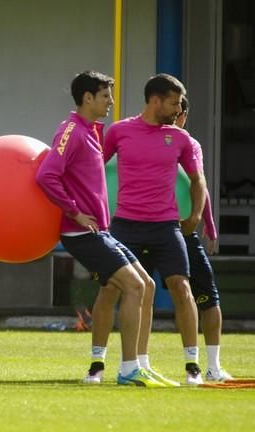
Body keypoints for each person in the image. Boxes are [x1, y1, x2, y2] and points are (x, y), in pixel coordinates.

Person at [37, 70, 163, 387]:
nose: (111, 101)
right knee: (134, 287)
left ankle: (134, 365)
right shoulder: (71, 130)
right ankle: (128, 368)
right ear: (88, 98)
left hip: (100, 231)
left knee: (145, 285)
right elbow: (46, 176)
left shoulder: (91, 131)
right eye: (105, 95)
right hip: (82, 233)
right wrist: (75, 213)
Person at [94, 74, 208, 386]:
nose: (178, 109)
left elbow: (198, 180)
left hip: (165, 225)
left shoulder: (180, 139)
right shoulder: (119, 131)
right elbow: (93, 167)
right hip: (125, 224)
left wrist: (196, 216)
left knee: (182, 289)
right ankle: (96, 363)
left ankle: (192, 367)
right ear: (155, 100)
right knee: (108, 289)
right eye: (173, 103)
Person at [142, 96, 233, 381]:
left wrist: (208, 224)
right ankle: (135, 363)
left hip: (183, 232)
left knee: (207, 297)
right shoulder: (143, 138)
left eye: (179, 114)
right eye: (171, 111)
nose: (174, 118)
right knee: (137, 294)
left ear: (184, 117)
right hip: (145, 227)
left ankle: (213, 366)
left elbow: (199, 184)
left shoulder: (189, 144)